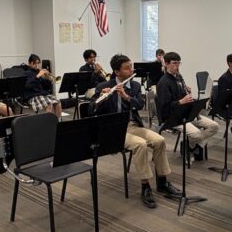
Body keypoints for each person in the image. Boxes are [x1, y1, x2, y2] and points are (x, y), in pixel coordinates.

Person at [93, 54, 181, 208]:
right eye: (127, 68)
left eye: (131, 66)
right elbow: (90, 110)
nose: (131, 70)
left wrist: (126, 97)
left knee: (159, 140)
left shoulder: (134, 86)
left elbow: (139, 105)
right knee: (140, 145)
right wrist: (102, 99)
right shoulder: (102, 87)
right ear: (117, 71)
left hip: (132, 126)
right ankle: (145, 186)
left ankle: (162, 181)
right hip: (113, 130)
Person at [156, 52, 218, 161]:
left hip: (185, 113)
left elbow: (181, 98)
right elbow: (165, 107)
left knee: (214, 126)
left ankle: (190, 145)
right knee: (196, 134)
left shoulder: (179, 77)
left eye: (179, 63)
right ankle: (192, 145)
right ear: (166, 64)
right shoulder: (163, 83)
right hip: (172, 117)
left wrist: (186, 93)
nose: (177, 66)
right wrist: (181, 101)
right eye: (174, 63)